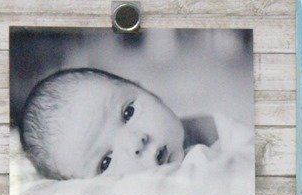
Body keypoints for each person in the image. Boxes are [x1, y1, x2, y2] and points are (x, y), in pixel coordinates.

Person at [20, 68, 192, 180]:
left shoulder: (215, 124)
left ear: (146, 89)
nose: (135, 144)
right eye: (105, 163)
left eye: (128, 113)